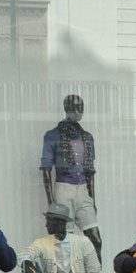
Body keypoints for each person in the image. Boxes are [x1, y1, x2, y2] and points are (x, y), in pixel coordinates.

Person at [13, 204, 117, 273]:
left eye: (49, 221)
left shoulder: (83, 242)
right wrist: (28, 263)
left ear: (61, 223)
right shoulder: (41, 242)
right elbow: (21, 256)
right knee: (28, 263)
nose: (46, 225)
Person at [41, 94, 102, 262]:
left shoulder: (87, 137)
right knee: (65, 243)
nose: (79, 111)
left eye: (81, 107)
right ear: (67, 109)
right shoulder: (52, 135)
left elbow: (90, 171)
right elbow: (46, 169)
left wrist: (92, 199)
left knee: (96, 240)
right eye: (76, 107)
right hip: (63, 189)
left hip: (83, 190)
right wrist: (52, 201)